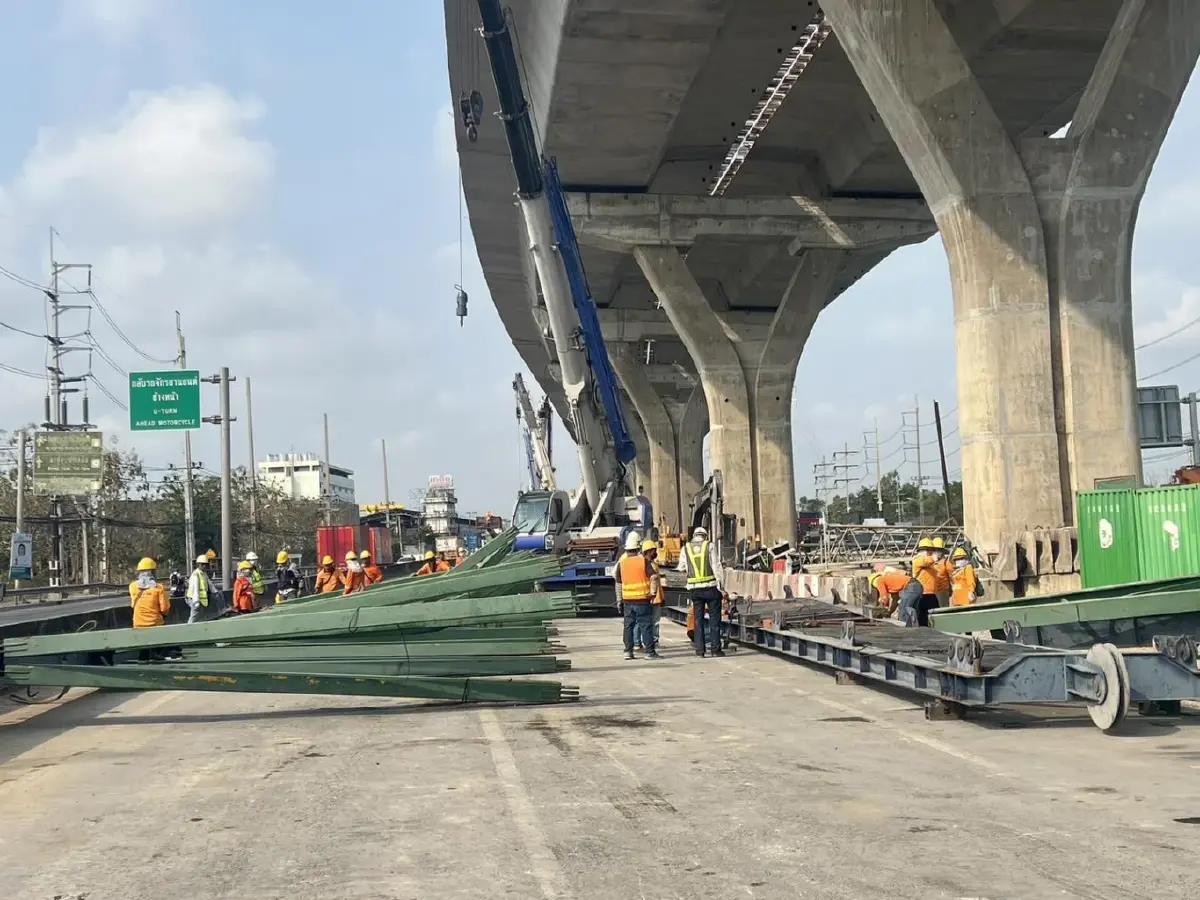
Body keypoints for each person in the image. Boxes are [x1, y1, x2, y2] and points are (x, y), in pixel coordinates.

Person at [678, 526, 724, 657]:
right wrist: (722, 586)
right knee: (714, 619)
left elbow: (681, 567)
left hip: (695, 589)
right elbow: (716, 566)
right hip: (711, 588)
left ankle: (700, 651)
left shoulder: (686, 548)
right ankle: (715, 650)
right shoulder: (710, 546)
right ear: (705, 536)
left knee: (698, 620)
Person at [613, 532, 659, 660]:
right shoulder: (643, 561)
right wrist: (653, 593)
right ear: (639, 547)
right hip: (642, 600)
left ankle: (628, 651)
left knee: (628, 626)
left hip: (628, 601)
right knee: (645, 625)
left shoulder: (622, 563)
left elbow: (618, 583)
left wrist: (619, 600)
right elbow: (654, 577)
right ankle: (650, 652)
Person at [130, 557, 171, 628]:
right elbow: (164, 608)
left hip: (138, 624)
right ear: (152, 572)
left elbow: (133, 605)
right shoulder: (159, 588)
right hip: (155, 623)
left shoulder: (132, 586)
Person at [910, 537, 941, 627]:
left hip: (931, 594)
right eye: (929, 550)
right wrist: (934, 558)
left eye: (932, 550)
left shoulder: (930, 564)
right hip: (922, 595)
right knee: (923, 619)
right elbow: (925, 560)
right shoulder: (918, 560)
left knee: (935, 619)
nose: (931, 552)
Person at [643, 539, 665, 650]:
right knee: (651, 622)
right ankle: (650, 641)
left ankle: (653, 641)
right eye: (653, 551)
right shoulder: (645, 565)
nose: (655, 552)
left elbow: (658, 584)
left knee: (655, 622)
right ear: (648, 551)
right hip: (650, 597)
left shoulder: (654, 565)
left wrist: (662, 597)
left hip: (655, 597)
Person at [185, 553, 216, 623]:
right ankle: (188, 627)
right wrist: (196, 602)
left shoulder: (204, 574)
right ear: (199, 565)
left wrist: (215, 592)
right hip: (193, 598)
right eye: (204, 564)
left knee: (201, 615)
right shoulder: (196, 574)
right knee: (195, 614)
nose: (206, 566)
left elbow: (210, 584)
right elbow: (195, 589)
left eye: (207, 564)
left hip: (201, 600)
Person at [931, 537, 952, 607]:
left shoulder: (946, 562)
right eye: (935, 549)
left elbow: (952, 576)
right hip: (931, 590)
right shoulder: (929, 561)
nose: (937, 551)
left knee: (942, 609)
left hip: (943, 591)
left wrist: (951, 589)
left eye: (939, 550)